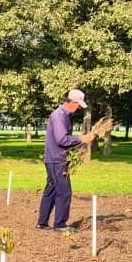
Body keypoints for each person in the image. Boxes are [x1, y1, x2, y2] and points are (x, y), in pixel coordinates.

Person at [38, 89, 96, 233]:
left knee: (51, 190)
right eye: (78, 105)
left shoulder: (63, 115)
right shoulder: (59, 116)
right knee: (64, 192)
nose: (78, 109)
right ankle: (60, 224)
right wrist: (82, 139)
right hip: (57, 160)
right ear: (73, 102)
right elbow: (62, 139)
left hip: (54, 158)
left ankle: (42, 222)